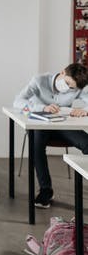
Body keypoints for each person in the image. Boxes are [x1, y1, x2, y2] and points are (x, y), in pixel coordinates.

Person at [13, 63, 88, 208]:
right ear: (62, 72)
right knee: (36, 144)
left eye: (71, 88)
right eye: (66, 83)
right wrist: (42, 108)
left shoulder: (79, 85)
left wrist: (84, 110)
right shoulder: (39, 80)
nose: (68, 88)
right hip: (39, 124)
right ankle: (46, 190)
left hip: (63, 125)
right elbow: (18, 102)